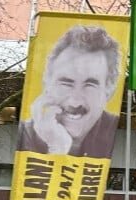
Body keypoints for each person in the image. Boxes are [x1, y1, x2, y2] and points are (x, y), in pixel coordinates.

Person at [17, 25, 121, 158]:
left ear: (109, 91)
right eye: (66, 83)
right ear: (47, 83)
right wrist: (57, 148)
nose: (75, 102)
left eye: (90, 85)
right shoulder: (25, 137)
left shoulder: (120, 135)